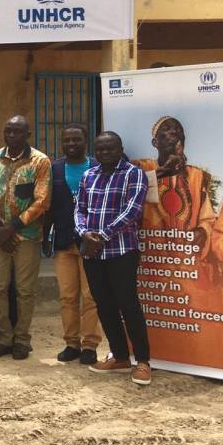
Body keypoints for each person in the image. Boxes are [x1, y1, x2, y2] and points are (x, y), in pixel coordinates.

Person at [75, 131, 151, 386]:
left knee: (128, 305)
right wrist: (85, 233)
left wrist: (102, 235)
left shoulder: (133, 173)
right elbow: (80, 209)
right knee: (104, 305)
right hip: (93, 253)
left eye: (110, 149)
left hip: (122, 251)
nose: (105, 153)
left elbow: (133, 210)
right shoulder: (89, 175)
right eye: (100, 149)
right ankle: (119, 356)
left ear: (120, 149)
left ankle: (142, 361)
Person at [0, 115, 52, 360]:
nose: (11, 136)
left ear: (27, 134)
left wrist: (12, 227)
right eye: (7, 131)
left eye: (17, 132)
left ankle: (22, 340)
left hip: (28, 236)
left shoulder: (40, 161)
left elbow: (42, 200)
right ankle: (4, 338)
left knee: (25, 290)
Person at [42, 124, 100, 365]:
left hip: (90, 244)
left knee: (90, 296)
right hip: (64, 241)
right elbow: (48, 206)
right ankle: (71, 343)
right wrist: (45, 236)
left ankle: (89, 345)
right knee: (67, 296)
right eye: (67, 141)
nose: (72, 144)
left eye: (77, 140)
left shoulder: (97, 166)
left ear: (85, 141)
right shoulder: (54, 168)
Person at [134, 116, 215, 257]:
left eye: (179, 131)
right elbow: (127, 193)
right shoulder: (141, 167)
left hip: (187, 261)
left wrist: (203, 231)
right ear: (155, 142)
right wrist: (157, 175)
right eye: (167, 129)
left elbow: (207, 218)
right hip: (151, 258)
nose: (174, 133)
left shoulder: (196, 176)